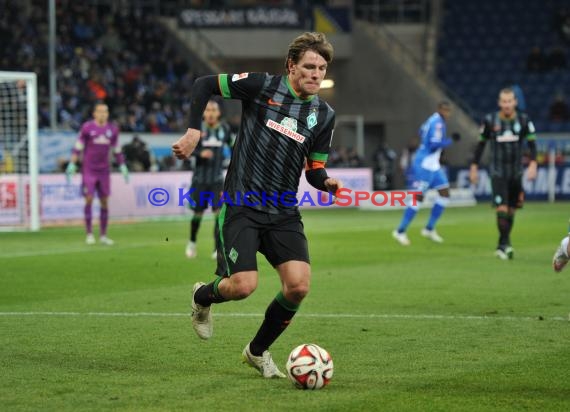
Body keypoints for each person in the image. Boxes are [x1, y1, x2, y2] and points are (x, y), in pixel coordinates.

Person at [171, 32, 342, 379]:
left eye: (322, 68)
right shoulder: (262, 86)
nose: (316, 74)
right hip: (242, 205)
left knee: (298, 286)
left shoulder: (323, 115)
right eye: (309, 66)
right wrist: (193, 130)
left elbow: (315, 169)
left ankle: (257, 352)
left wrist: (325, 182)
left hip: (283, 211)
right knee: (242, 286)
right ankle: (203, 296)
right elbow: (204, 84)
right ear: (291, 66)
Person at [470, 88, 537, 260]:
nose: (507, 105)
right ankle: (506, 245)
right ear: (499, 103)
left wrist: (533, 164)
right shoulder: (490, 120)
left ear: (515, 102)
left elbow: (532, 144)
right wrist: (474, 166)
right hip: (498, 172)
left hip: (516, 172)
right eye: (504, 101)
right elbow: (480, 145)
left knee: (512, 210)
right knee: (502, 208)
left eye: (510, 101)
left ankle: (502, 244)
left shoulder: (524, 120)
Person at [392, 101, 459, 246]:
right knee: (418, 198)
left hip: (433, 165)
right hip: (425, 164)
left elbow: (421, 132)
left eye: (449, 111)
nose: (447, 113)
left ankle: (429, 228)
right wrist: (449, 141)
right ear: (440, 109)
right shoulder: (438, 123)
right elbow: (434, 145)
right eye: (445, 110)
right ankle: (400, 231)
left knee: (445, 193)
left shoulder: (432, 120)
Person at [66, 102, 129, 245]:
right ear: (94, 113)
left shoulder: (112, 130)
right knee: (88, 198)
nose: (103, 114)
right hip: (89, 169)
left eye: (105, 111)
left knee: (104, 202)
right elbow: (78, 147)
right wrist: (72, 163)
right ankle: (89, 233)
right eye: (100, 111)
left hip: (104, 171)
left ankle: (103, 235)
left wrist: (123, 166)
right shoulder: (87, 128)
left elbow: (117, 150)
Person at [185, 99, 233, 259]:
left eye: (214, 110)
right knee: (197, 213)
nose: (211, 113)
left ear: (218, 113)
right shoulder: (197, 130)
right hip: (199, 180)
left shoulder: (225, 129)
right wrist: (200, 153)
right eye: (208, 110)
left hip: (217, 180)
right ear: (204, 113)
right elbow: (188, 150)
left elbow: (234, 146)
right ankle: (192, 242)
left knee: (218, 214)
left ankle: (216, 248)